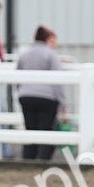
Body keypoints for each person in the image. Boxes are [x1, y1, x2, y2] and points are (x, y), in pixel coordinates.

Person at [16, 26, 66, 160]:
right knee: (46, 130)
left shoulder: (25, 53)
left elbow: (17, 75)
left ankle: (28, 159)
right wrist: (62, 102)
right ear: (48, 39)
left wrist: (21, 91)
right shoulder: (50, 54)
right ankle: (43, 160)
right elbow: (58, 79)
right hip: (47, 98)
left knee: (30, 129)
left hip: (26, 96)